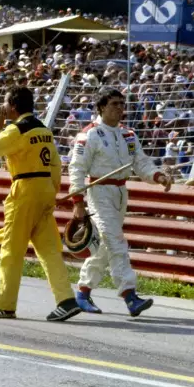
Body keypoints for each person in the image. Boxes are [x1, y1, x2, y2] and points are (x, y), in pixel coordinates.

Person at [0, 86, 82, 322]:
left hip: (24, 190)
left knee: (11, 250)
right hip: (45, 189)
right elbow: (56, 165)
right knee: (48, 250)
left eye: (5, 103)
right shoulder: (44, 130)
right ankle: (66, 300)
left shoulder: (17, 129)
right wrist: (51, 192)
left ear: (12, 106)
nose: (3, 108)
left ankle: (4, 305)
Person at [68, 87, 172, 317]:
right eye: (115, 103)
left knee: (105, 245)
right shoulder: (89, 134)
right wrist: (78, 201)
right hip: (98, 192)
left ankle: (82, 293)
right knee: (116, 242)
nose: (120, 108)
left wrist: (158, 176)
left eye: (122, 104)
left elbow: (141, 163)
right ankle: (130, 296)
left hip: (120, 192)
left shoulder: (129, 135)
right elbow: (76, 169)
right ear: (102, 107)